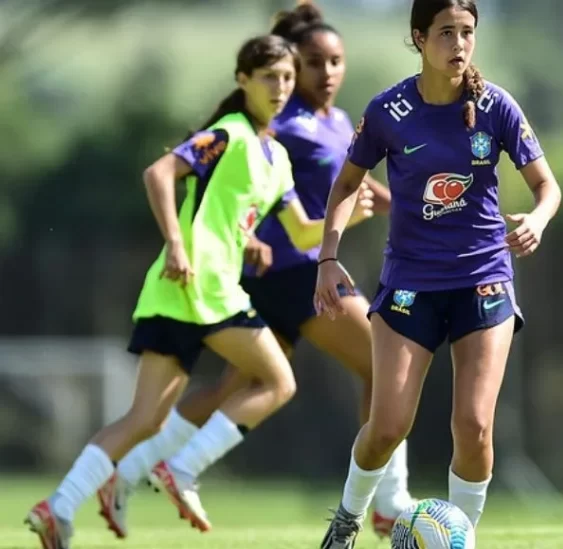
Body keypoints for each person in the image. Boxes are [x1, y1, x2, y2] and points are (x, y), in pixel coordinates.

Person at [97, 2, 415, 540]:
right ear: (291, 67)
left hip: (286, 273)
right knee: (386, 361)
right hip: (294, 270)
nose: (328, 73)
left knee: (232, 390)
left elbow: (352, 185)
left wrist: (404, 201)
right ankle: (388, 501)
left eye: (337, 61)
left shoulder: (336, 122)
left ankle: (125, 474)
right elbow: (230, 166)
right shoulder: (279, 123)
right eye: (314, 63)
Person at [24, 35, 356, 548]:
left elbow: (303, 233)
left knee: (145, 418)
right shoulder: (226, 134)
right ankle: (181, 470)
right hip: (203, 284)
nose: (280, 86)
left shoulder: (277, 158)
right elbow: (158, 173)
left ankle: (58, 507)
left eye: (287, 78)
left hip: (185, 290)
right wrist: (176, 243)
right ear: (242, 80)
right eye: (269, 76)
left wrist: (351, 211)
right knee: (278, 382)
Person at [313, 0, 562, 546]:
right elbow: (346, 185)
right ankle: (346, 523)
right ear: (419, 38)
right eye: (446, 32)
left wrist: (538, 219)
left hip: (484, 280)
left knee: (473, 428)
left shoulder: (495, 107)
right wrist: (327, 260)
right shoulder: (387, 111)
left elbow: (548, 186)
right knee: (387, 427)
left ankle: (458, 538)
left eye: (467, 32)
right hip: (410, 285)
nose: (459, 44)